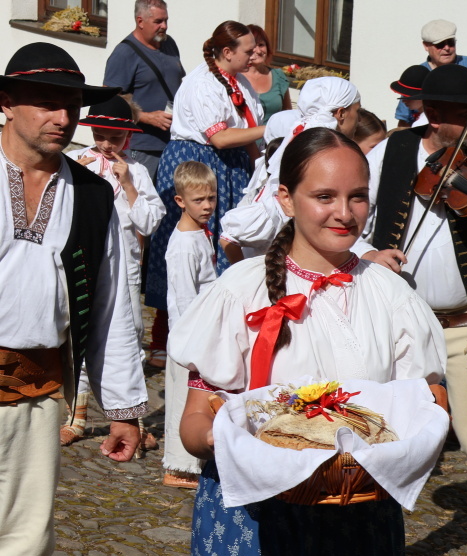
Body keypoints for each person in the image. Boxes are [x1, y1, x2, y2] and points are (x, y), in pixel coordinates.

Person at [169, 126, 445, 556]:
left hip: (358, 517)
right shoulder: (239, 289)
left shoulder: (390, 295)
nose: (344, 212)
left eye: (357, 196)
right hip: (252, 523)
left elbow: (426, 406)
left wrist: (403, 443)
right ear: (284, 199)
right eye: (324, 197)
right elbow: (194, 420)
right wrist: (234, 439)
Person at [0, 42, 148, 556]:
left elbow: (113, 303)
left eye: (71, 105)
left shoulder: (91, 195)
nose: (62, 117)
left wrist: (122, 404)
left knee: (23, 549)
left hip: (37, 392)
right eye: (48, 103)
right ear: (6, 104)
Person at [359, 63, 467, 556]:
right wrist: (368, 254)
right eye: (463, 114)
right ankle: (369, 538)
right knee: (378, 432)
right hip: (396, 318)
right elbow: (351, 219)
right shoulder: (388, 151)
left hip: (465, 321)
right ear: (433, 114)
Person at [144, 20, 264, 361]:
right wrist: (272, 128)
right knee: (186, 244)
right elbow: (220, 137)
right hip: (197, 162)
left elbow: (248, 132)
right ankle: (164, 335)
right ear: (227, 52)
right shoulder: (202, 84)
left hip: (230, 167)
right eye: (248, 49)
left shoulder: (239, 82)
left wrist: (260, 170)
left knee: (225, 242)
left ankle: (221, 327)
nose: (255, 53)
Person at [62, 96, 165, 449]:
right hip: (82, 259)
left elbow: (150, 221)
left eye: (115, 138)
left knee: (126, 334)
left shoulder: (136, 171)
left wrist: (130, 186)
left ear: (128, 140)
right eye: (101, 135)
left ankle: (128, 419)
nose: (106, 144)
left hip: (124, 266)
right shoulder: (75, 161)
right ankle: (76, 416)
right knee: (75, 332)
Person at [220, 77, 361, 262]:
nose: (359, 120)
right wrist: (250, 279)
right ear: (341, 113)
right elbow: (232, 235)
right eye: (358, 111)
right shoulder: (311, 155)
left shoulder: (306, 143)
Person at [163, 162, 218, 489]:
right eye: (199, 200)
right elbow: (184, 299)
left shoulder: (200, 234)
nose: (208, 206)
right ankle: (179, 466)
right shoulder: (184, 244)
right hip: (188, 337)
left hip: (203, 330)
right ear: (180, 201)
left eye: (211, 198)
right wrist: (194, 339)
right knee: (182, 399)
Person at [103, 0, 185, 179]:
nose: (164, 26)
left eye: (166, 20)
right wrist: (146, 117)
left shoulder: (169, 44)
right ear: (140, 21)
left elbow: (178, 83)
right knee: (141, 199)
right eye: (158, 21)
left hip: (174, 142)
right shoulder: (124, 53)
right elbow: (109, 100)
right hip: (142, 146)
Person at [394, 20, 467, 134]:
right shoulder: (419, 74)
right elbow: (404, 120)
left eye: (451, 43)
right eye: (440, 44)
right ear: (426, 45)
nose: (447, 48)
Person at [244, 24, 292, 125]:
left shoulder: (278, 76)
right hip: (242, 139)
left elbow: (288, 114)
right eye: (253, 46)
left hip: (272, 139)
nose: (258, 50)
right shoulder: (234, 77)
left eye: (261, 45)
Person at [391, 64, 430, 129]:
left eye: (409, 96)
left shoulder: (421, 123)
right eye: (403, 95)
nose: (403, 100)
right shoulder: (425, 118)